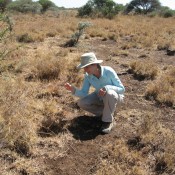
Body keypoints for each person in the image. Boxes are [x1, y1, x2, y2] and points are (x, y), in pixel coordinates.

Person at [64, 52, 125, 134]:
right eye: (84, 68)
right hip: (100, 96)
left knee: (110, 93)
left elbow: (122, 89)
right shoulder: (88, 76)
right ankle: (107, 113)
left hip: (116, 98)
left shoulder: (108, 71)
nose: (85, 70)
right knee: (82, 103)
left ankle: (108, 122)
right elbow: (84, 93)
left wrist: (107, 88)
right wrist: (73, 90)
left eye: (87, 67)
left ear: (94, 65)